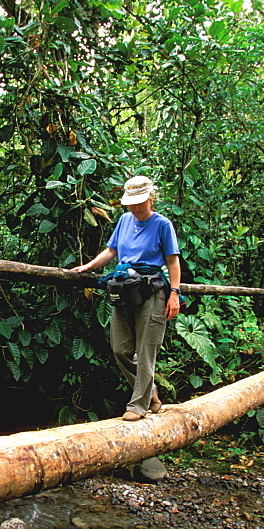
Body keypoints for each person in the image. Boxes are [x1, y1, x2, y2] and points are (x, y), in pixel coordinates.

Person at [71, 176, 182, 421]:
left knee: (146, 351)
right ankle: (149, 390)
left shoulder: (163, 225)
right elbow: (112, 251)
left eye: (140, 203)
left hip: (151, 290)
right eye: (131, 204)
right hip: (123, 289)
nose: (135, 208)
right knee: (120, 349)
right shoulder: (123, 220)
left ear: (151, 199)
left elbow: (173, 261)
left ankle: (138, 406)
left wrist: (174, 294)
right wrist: (88, 266)